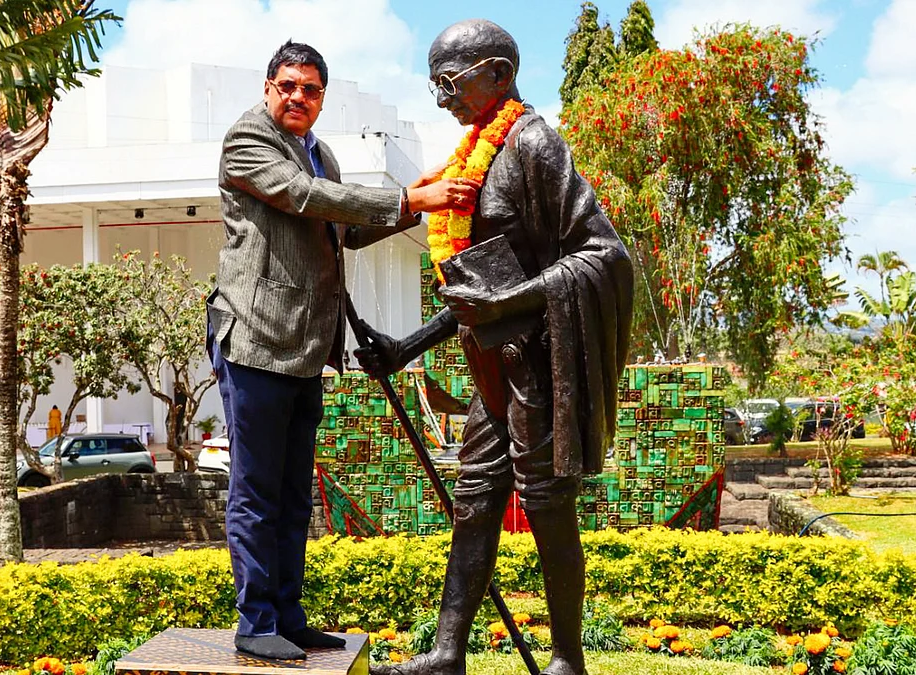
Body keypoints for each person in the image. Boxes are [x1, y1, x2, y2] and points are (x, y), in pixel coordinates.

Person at [355, 20, 634, 675]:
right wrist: (405, 347)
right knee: (475, 504)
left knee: (547, 509)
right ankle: (448, 653)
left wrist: (505, 306)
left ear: (499, 75)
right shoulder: (472, 154)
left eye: (450, 82)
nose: (441, 98)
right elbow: (479, 291)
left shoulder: (533, 143)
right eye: (434, 85)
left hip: (538, 368)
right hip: (493, 376)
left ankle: (567, 660)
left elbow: (604, 255)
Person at [206, 40, 479, 662]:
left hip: (307, 346)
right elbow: (305, 197)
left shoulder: (320, 152)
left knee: (294, 493)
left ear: (322, 98)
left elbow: (345, 230)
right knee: (257, 491)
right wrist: (409, 200)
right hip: (254, 338)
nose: (297, 97)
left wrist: (414, 201)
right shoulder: (247, 140)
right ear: (268, 87)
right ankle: (255, 623)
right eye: (287, 85)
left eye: (310, 89)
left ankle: (289, 617)